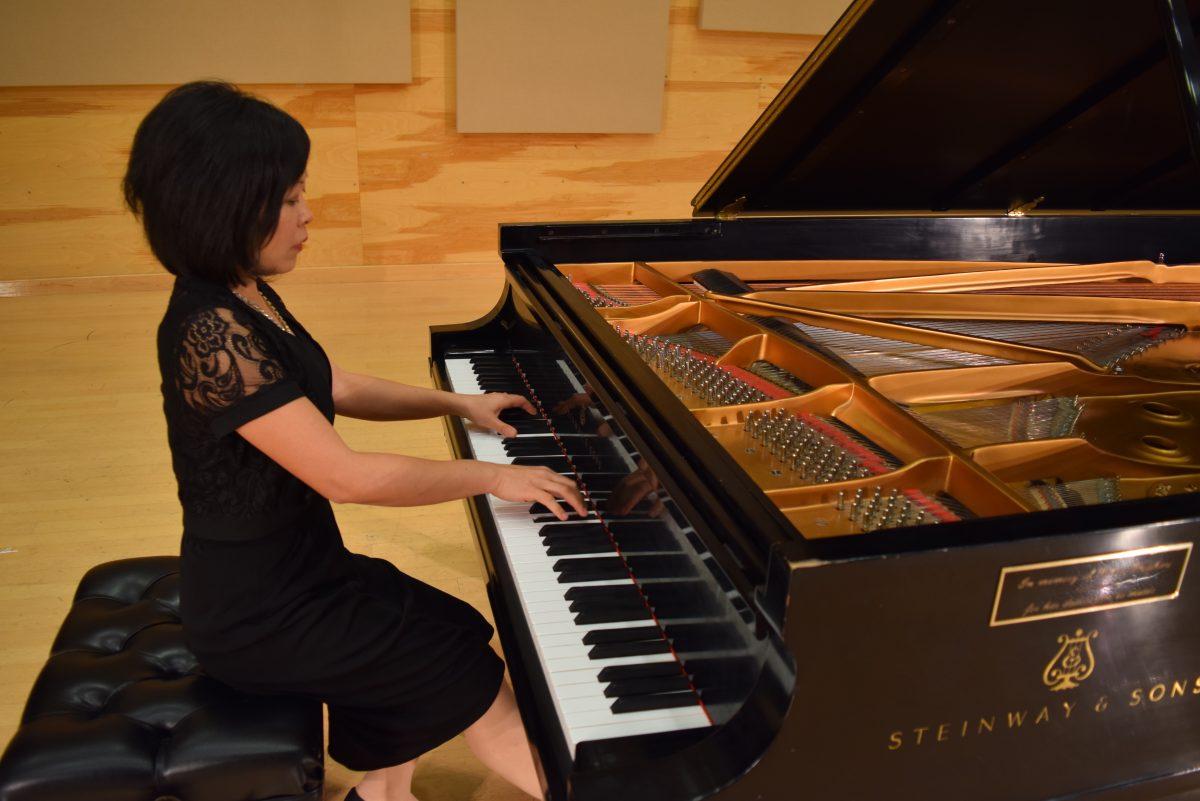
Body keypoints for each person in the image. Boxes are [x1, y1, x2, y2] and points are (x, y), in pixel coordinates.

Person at [122, 81, 586, 801]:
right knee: (470, 677)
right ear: (225, 204)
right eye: (289, 200)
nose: (308, 217)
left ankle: (380, 790)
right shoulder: (207, 331)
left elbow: (328, 380)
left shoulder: (242, 290)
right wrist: (493, 478)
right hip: (258, 612)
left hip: (300, 570)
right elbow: (347, 476)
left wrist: (455, 401)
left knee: (454, 630)